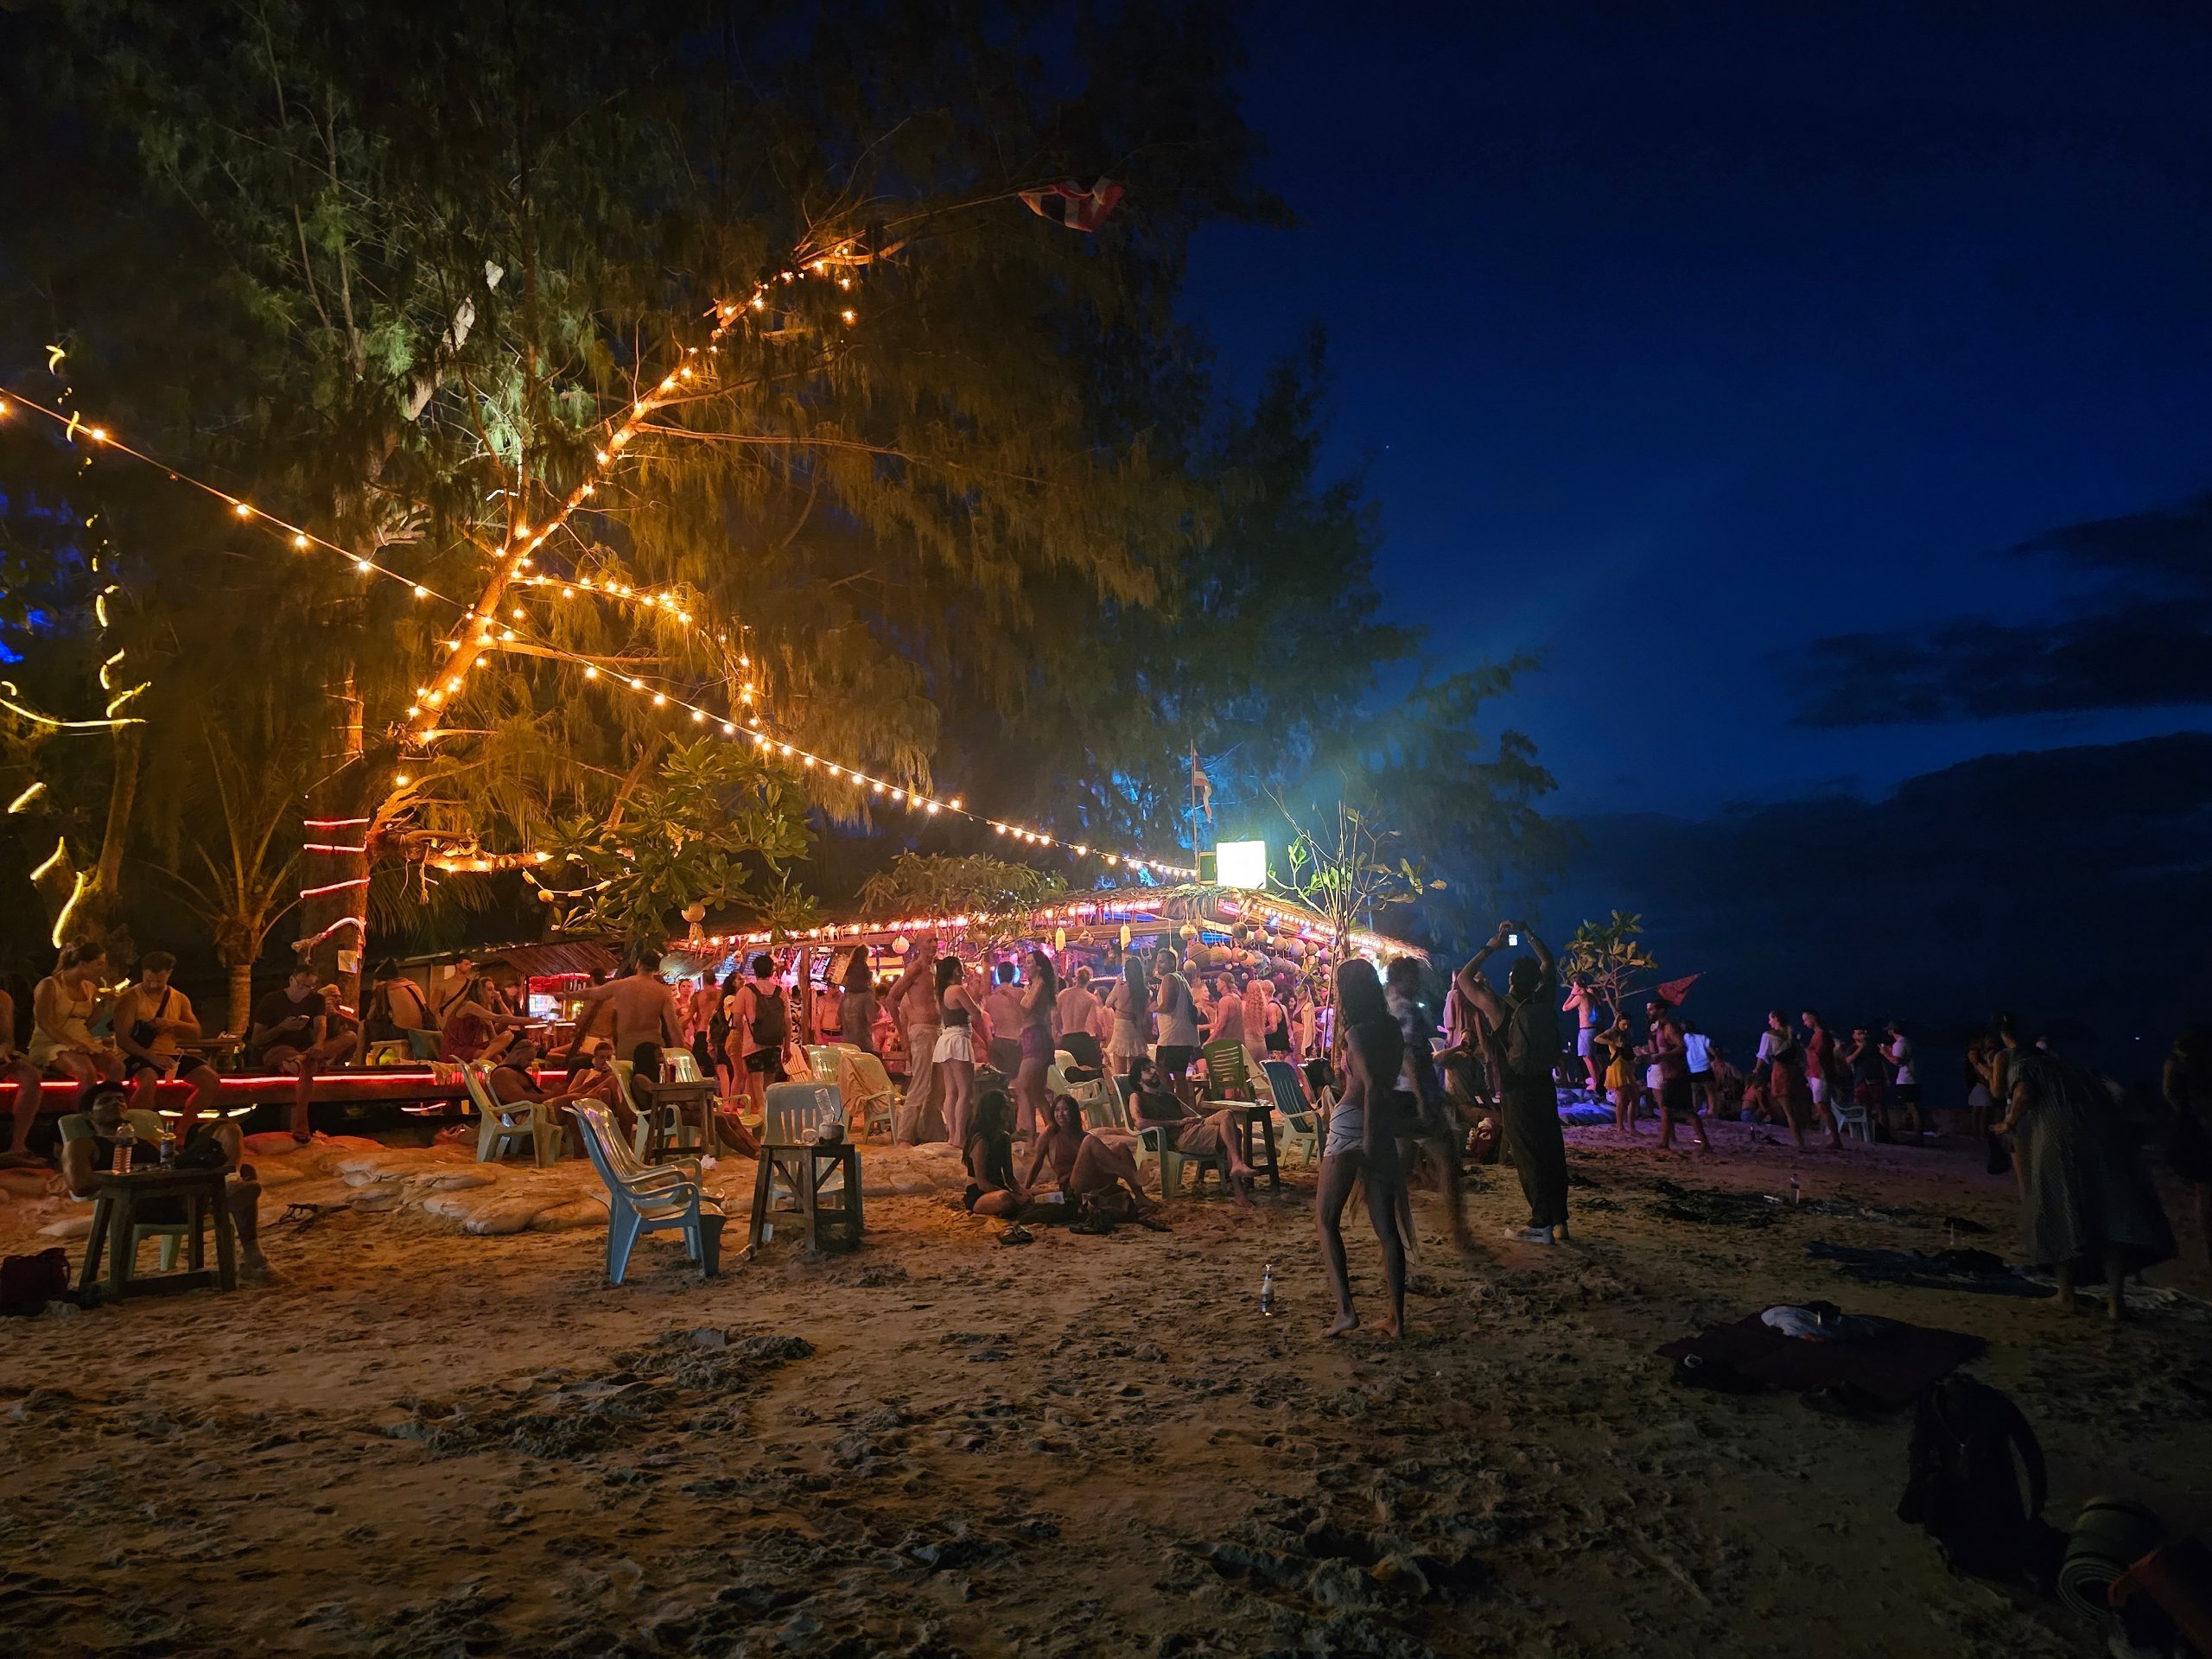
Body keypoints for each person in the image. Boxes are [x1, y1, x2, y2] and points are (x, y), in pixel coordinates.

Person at [1996, 1041, 2176, 1321]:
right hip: (2108, 1142)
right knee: (2110, 1219)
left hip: (2060, 1141)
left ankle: (2065, 1294)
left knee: (2058, 1212)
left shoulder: (2024, 1065)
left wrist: (2009, 1123)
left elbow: (2023, 1092)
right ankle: (2116, 1301)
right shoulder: (2074, 1070)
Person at [61, 1082, 267, 1277]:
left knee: (232, 1139)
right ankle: (222, 1198)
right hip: (139, 1204)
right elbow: (80, 1185)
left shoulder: (150, 1142)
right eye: (105, 1101)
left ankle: (251, 1247)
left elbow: (177, 1166)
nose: (116, 1103)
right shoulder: (84, 1145)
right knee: (233, 1187)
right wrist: (136, 1175)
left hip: (180, 1194)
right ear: (88, 1113)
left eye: (120, 1099)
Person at [1457, 920, 1570, 1244]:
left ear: (1511, 980)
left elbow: (1464, 979)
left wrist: (1492, 945)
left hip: (1516, 1090)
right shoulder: (1544, 999)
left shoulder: (1499, 1008)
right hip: (1544, 1087)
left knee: (1528, 1154)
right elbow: (1549, 962)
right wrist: (1528, 932)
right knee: (1551, 1151)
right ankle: (1559, 1221)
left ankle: (1540, 1224)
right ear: (1536, 981)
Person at [1315, 959, 1408, 1336]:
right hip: (1382, 1122)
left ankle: (1345, 1310)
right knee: (1387, 1229)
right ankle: (1396, 1318)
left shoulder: (1356, 1033)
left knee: (1326, 1219)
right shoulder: (1391, 1027)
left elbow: (1368, 1085)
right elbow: (1386, 1082)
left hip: (1353, 1122)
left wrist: (1367, 1137)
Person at [1383, 955, 1471, 1255]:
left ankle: (1393, 1231)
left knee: (1401, 1168)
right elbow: (1409, 1056)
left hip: (1397, 1095)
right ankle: (1459, 1231)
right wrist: (1424, 1099)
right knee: (1448, 1162)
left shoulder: (1387, 1007)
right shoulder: (1406, 1010)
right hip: (1412, 1096)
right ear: (1403, 979)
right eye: (1415, 977)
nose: (1419, 983)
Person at [108, 951, 222, 1132]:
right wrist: (151, 1057)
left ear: (169, 974)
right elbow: (123, 1040)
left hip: (169, 1054)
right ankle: (136, 1130)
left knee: (210, 1079)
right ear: (143, 973)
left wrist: (172, 1024)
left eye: (159, 981)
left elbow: (196, 1032)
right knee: (148, 1079)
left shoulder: (179, 998)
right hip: (135, 1054)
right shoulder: (130, 998)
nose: (153, 985)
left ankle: (182, 1131)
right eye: (149, 980)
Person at [1127, 1054, 1255, 1205]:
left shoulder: (1169, 1096)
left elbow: (1195, 1116)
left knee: (1226, 1115)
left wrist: (1194, 1119)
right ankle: (1239, 1189)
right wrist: (1178, 1123)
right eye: (1147, 1070)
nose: (1154, 1071)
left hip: (1193, 1128)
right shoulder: (1137, 1096)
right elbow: (1140, 1123)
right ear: (1139, 1080)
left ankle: (1237, 1164)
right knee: (1234, 1134)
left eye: (1153, 1067)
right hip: (1180, 1137)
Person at [251, 964, 355, 1141]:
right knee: (310, 1064)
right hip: (278, 1048)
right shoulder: (272, 1000)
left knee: (350, 1037)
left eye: (310, 986)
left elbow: (320, 1026)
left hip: (306, 1049)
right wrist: (282, 1027)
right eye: (301, 984)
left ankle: (299, 1060)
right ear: (291, 980)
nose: (305, 990)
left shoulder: (316, 1000)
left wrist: (319, 1044)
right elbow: (257, 1039)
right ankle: (302, 1123)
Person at [1023, 1091, 1151, 1217]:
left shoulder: (1082, 1135)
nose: (1060, 1114)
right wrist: (1024, 1190)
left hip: (1094, 1182)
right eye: (1057, 1110)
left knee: (1120, 1148)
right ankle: (1132, 1175)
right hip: (1072, 1188)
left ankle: (1140, 1197)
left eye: (1065, 1110)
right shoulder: (1050, 1135)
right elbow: (1037, 1164)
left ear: (1073, 1113)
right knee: (1090, 1141)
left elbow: (1102, 1161)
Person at [30, 942, 124, 1104]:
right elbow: (43, 1020)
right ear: (82, 964)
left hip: (81, 1041)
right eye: (99, 964)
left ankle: (109, 1108)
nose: (103, 969)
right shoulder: (50, 985)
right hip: (50, 1042)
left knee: (116, 1067)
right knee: (86, 1072)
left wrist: (103, 1003)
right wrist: (70, 1043)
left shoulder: (90, 988)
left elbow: (89, 1021)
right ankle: (84, 1114)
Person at [881, 944, 943, 1144]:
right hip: (922, 1032)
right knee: (920, 1084)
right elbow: (892, 999)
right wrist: (903, 1036)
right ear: (920, 945)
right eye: (929, 940)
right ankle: (904, 1137)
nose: (933, 944)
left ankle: (931, 1133)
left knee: (937, 1087)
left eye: (935, 939)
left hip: (936, 1031)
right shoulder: (915, 969)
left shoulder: (933, 970)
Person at [2162, 1027, 2212, 1267]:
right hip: (2197, 1135)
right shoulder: (2195, 1075)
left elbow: (2169, 1094)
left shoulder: (2184, 1075)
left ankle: (2210, 1251)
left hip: (2196, 1137)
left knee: (2205, 1193)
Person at [1757, 1009, 1838, 1151]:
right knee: (1799, 1108)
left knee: (1791, 1111)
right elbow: (1802, 1056)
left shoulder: (1769, 1035)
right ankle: (1807, 1140)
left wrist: (1756, 1070)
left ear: (1775, 1019)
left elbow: (1762, 1055)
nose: (1769, 1022)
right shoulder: (1792, 1035)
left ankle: (1801, 1142)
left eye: (1770, 1019)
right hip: (1796, 1073)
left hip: (1786, 1072)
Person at [728, 955, 791, 1118]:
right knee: (768, 1085)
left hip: (753, 1046)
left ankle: (762, 1117)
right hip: (775, 1044)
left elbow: (736, 1019)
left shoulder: (745, 991)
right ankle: (769, 1117)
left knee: (756, 1084)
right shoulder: (780, 992)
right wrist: (787, 1047)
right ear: (772, 971)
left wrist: (746, 1033)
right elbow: (787, 1022)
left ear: (754, 971)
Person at [933, 957, 984, 1148]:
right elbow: (977, 1013)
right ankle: (960, 1136)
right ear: (956, 970)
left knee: (951, 1091)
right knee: (965, 1091)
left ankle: (952, 1135)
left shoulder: (943, 992)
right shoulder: (958, 990)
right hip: (959, 1039)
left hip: (947, 1038)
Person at [1649, 1007, 1711, 1153]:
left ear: (1661, 1011)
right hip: (1670, 1074)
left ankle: (1704, 1143)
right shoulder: (1661, 1029)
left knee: (1684, 1111)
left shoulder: (1669, 1027)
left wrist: (1662, 1056)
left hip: (1677, 1074)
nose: (1649, 1012)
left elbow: (1682, 1047)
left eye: (1652, 1009)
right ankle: (1665, 1142)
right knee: (1667, 1108)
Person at [1012, 949, 1058, 1138]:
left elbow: (1026, 1010)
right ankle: (1052, 1133)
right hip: (1033, 1036)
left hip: (1037, 1038)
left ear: (1039, 967)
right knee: (1037, 1092)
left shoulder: (1040, 985)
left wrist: (1011, 998)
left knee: (1022, 1085)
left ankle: (1030, 1133)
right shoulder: (1033, 986)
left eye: (1030, 962)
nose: (1026, 966)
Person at [962, 1087, 1025, 1217]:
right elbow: (982, 1183)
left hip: (999, 1188)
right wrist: (1015, 1196)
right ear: (994, 1110)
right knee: (1005, 1199)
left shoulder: (1005, 1137)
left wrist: (1021, 1191)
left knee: (1042, 1192)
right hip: (979, 1193)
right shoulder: (981, 1140)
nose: (1008, 1110)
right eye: (1004, 1107)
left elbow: (1010, 1177)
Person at [0, 978, 43, 1163]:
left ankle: (18, 1145)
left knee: (30, 1076)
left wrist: (3, 1051)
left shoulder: (2, 998)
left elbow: (7, 1039)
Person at [362, 960, 437, 1058]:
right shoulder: (413, 985)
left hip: (402, 1032)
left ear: (378, 980)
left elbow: (372, 1015)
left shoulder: (384, 988)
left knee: (363, 1025)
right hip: (422, 1030)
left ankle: (360, 1060)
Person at [1150, 950, 1198, 1078]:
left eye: (1162, 961)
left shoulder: (1169, 978)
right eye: (1157, 962)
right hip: (1185, 1037)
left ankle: (1169, 1093)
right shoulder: (1181, 978)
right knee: (1180, 1077)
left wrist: (1153, 1009)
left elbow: (1168, 1006)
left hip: (1171, 1037)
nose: (1158, 965)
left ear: (1172, 963)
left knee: (1162, 1073)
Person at [1106, 956, 1150, 1084]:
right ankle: (1136, 1092)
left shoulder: (1121, 987)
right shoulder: (1144, 991)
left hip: (1121, 1025)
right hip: (1135, 1026)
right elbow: (1144, 1014)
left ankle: (1123, 1093)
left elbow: (1108, 1003)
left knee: (1120, 1069)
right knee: (1135, 1068)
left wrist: (1117, 984)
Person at [1882, 1020, 1925, 1141]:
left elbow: (1897, 1061)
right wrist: (1891, 1051)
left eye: (1889, 1030)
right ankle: (1914, 1132)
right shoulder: (1909, 1042)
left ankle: (1918, 1136)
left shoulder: (1900, 1043)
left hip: (1906, 1080)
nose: (1888, 1032)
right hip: (1914, 1078)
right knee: (1911, 1107)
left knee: (1913, 1108)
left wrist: (1885, 1053)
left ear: (1892, 1031)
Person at [1595, 1015, 1637, 1132]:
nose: (1626, 1027)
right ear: (1618, 1023)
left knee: (1634, 1097)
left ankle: (1631, 1127)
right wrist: (1613, 1043)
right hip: (1617, 1065)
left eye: (1628, 1024)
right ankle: (1620, 1127)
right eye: (1624, 1024)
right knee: (1621, 1098)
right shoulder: (1612, 1032)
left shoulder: (1626, 1034)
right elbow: (1597, 1039)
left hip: (1627, 1065)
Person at [1563, 974, 1602, 1094]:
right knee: (1592, 1057)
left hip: (1586, 1030)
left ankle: (1596, 1083)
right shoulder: (1591, 996)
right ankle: (1599, 1080)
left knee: (1587, 1057)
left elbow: (1565, 1008)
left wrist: (1572, 994)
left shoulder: (1580, 997)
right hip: (1593, 1029)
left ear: (1578, 986)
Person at [838, 954, 879, 1058]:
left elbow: (837, 1021)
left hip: (847, 1045)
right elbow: (871, 1018)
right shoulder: (867, 995)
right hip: (863, 1045)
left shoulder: (845, 997)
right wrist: (877, 1009)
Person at [1681, 1018, 1716, 1116]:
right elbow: (1711, 1051)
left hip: (1692, 1068)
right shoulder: (1702, 1037)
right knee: (1710, 1091)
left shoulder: (1683, 1039)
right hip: (1705, 1066)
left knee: (1694, 1092)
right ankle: (1711, 1111)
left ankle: (1695, 1112)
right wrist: (1715, 1059)